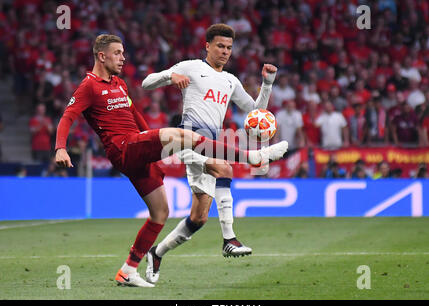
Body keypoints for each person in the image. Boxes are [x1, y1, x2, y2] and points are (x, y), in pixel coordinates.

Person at [54, 34, 288, 288]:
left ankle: (129, 270)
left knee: (161, 213)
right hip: (124, 147)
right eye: (118, 53)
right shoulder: (89, 86)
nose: (123, 58)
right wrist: (60, 148)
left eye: (123, 52)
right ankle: (253, 158)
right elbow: (68, 116)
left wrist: (153, 144)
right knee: (183, 135)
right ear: (102, 56)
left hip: (138, 147)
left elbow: (133, 113)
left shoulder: (119, 84)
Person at [141, 24, 278, 284]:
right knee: (225, 168)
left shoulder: (230, 81)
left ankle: (156, 253)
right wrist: (170, 78)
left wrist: (267, 84)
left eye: (229, 48)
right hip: (189, 137)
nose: (225, 52)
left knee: (199, 217)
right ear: (207, 46)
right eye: (220, 46)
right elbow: (146, 83)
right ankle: (229, 238)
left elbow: (255, 112)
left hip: (213, 140)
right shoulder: (191, 67)